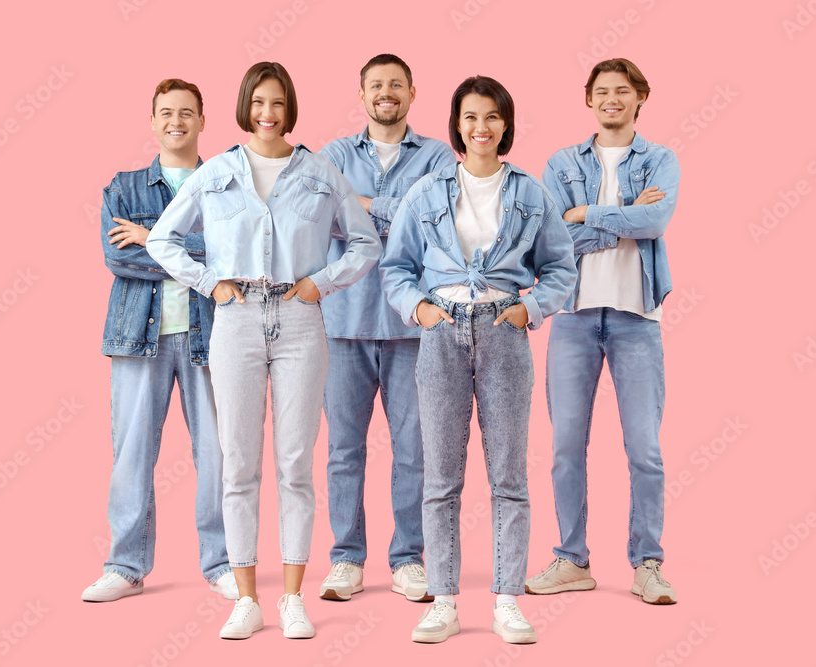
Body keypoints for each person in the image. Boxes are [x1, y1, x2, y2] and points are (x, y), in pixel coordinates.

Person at [147, 62, 381, 640]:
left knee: (296, 462)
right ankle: (246, 599)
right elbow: (161, 239)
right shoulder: (219, 172)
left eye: (277, 103)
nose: (268, 114)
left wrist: (319, 283)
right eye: (258, 103)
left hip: (301, 319)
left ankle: (294, 598)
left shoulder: (320, 171)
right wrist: (210, 283)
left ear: (289, 107)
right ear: (245, 107)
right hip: (236, 319)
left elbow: (365, 242)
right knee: (238, 463)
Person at [381, 75, 576, 644]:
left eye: (491, 116)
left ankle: (508, 599)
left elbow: (561, 268)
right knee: (440, 476)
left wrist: (530, 308)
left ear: (505, 124)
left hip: (503, 331)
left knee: (509, 475)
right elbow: (396, 268)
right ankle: (443, 600)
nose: (481, 127)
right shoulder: (427, 190)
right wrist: (419, 309)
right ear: (457, 125)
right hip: (441, 331)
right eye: (470, 117)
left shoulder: (530, 192)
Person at [526, 58, 680, 605]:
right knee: (566, 445)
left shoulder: (661, 160)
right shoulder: (559, 162)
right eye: (601, 91)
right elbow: (549, 244)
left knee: (645, 449)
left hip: (637, 320)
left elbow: (655, 224)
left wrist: (584, 213)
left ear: (641, 97)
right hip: (572, 317)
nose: (610, 98)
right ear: (588, 99)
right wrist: (618, 218)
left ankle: (648, 564)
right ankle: (571, 559)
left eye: (622, 91)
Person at [84, 78, 236, 604]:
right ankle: (126, 565)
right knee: (131, 455)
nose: (176, 121)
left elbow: (235, 257)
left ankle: (221, 563)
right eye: (166, 112)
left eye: (187, 112)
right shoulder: (122, 188)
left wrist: (151, 237)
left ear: (201, 121)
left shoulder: (223, 184)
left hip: (212, 339)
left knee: (219, 455)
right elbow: (117, 259)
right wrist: (195, 252)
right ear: (152, 122)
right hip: (136, 338)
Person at [316, 54, 455, 603]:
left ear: (412, 93)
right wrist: (396, 211)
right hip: (343, 324)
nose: (386, 93)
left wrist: (363, 206)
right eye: (376, 85)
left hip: (413, 328)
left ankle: (408, 559)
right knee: (343, 449)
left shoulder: (440, 155)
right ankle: (346, 559)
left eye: (395, 84)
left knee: (414, 450)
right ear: (362, 94)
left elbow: (439, 222)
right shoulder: (332, 156)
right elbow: (321, 217)